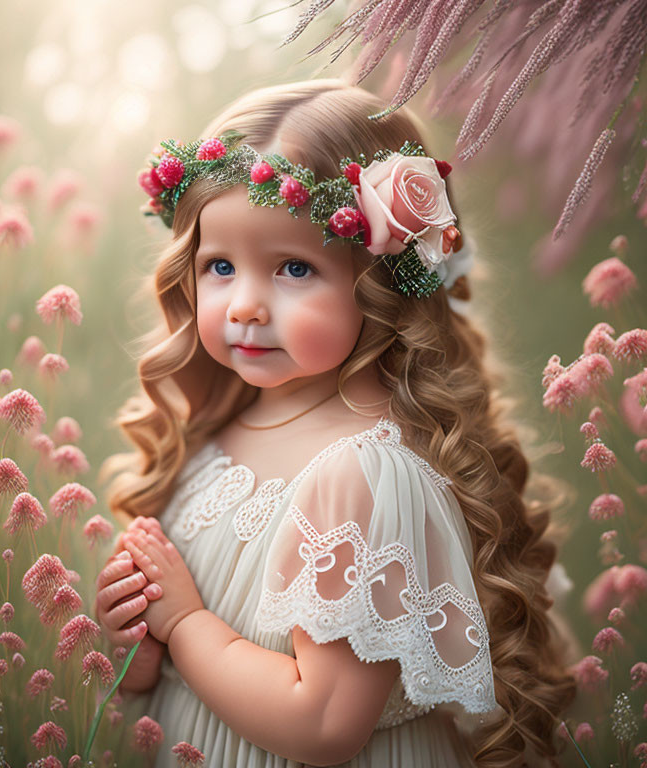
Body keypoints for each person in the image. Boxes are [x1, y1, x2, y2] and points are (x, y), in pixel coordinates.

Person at [95, 79, 576, 768]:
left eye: (294, 268)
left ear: (377, 282)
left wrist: (183, 622)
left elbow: (322, 724)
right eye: (221, 266)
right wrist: (141, 648)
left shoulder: (362, 474)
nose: (246, 307)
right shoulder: (213, 434)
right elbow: (182, 675)